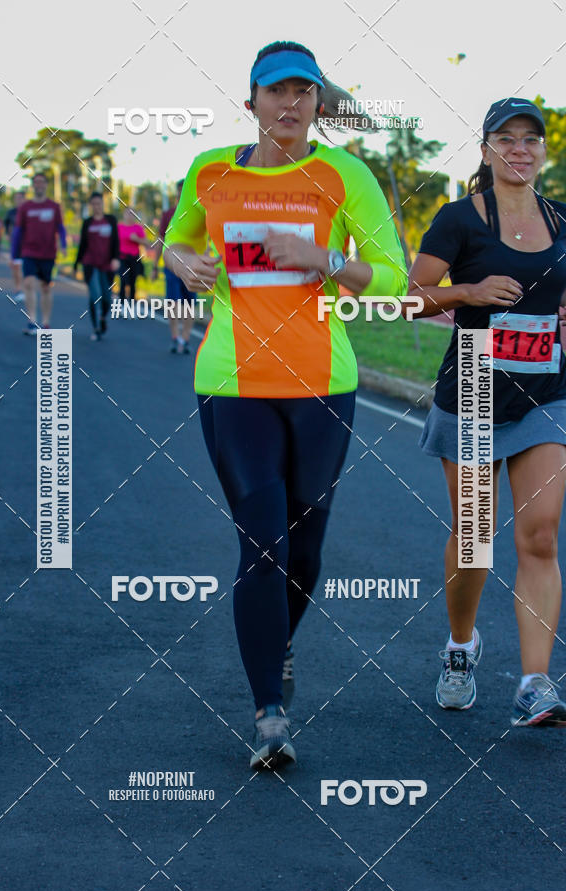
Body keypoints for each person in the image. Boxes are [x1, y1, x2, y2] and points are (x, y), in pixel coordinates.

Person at [164, 40, 407, 769]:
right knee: (263, 544)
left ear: (317, 103)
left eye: (305, 92)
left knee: (305, 549)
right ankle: (269, 712)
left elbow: (392, 277)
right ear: (252, 103)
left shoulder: (343, 174)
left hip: (322, 385)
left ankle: (279, 642)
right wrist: (182, 261)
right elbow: (177, 242)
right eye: (277, 92)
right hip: (233, 384)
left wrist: (325, 261)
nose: (292, 105)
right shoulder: (212, 174)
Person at [407, 98, 566, 727]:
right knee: (474, 539)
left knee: (541, 531)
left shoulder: (562, 222)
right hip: (473, 384)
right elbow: (410, 300)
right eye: (507, 138)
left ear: (544, 152)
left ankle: (535, 683)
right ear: (486, 149)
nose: (520, 149)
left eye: (532, 139)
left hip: (547, 392)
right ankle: (461, 647)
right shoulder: (458, 220)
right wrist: (467, 292)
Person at [12, 172, 66, 334]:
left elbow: (60, 228)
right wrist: (15, 252)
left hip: (48, 253)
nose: (39, 185)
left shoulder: (53, 206)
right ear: (33, 185)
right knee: (28, 283)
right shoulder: (25, 207)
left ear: (46, 185)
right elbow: (18, 230)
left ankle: (46, 322)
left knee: (45, 288)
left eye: (42, 182)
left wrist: (63, 245)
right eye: (36, 182)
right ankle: (32, 320)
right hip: (29, 251)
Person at [153, 179, 196, 354]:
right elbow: (160, 240)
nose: (181, 194)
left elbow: (206, 239)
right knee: (173, 302)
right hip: (171, 265)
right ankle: (174, 337)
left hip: (192, 265)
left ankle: (185, 338)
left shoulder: (197, 212)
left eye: (184, 191)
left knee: (190, 303)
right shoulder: (167, 214)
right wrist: (154, 266)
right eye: (179, 191)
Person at [75, 192, 119, 340]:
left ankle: (102, 318)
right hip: (90, 263)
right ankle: (96, 328)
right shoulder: (87, 222)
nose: (96, 207)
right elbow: (82, 244)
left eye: (99, 203)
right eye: (93, 204)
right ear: (91, 205)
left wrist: (116, 258)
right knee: (95, 295)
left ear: (103, 204)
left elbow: (116, 242)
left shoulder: (111, 220)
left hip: (106, 264)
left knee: (107, 298)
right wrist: (76, 263)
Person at [118, 207, 150, 302]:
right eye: (128, 213)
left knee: (132, 281)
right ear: (124, 214)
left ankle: (131, 304)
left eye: (132, 214)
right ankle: (122, 303)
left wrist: (136, 239)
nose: (130, 216)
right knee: (123, 279)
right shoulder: (119, 227)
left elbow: (147, 243)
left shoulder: (138, 228)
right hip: (122, 258)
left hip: (134, 258)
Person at [4, 190, 26, 302]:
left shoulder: (28, 211)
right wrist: (8, 235)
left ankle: (25, 290)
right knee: (15, 268)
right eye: (16, 198)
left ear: (24, 199)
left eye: (20, 198)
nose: (18, 200)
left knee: (25, 268)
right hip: (15, 245)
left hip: (27, 244)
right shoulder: (11, 212)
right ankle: (18, 290)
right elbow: (6, 225)